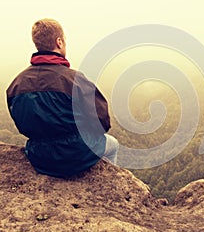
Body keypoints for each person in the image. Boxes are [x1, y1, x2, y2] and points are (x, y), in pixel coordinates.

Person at [6, 18, 119, 177]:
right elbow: (102, 121)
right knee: (113, 144)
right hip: (76, 154)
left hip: (38, 157)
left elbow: (21, 123)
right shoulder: (74, 80)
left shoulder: (16, 84)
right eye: (64, 39)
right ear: (59, 42)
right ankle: (109, 183)